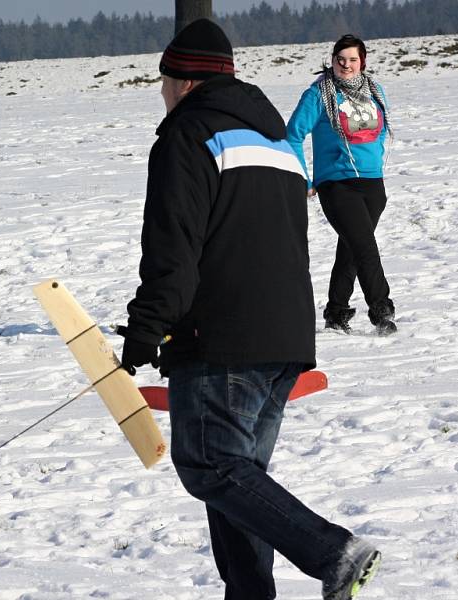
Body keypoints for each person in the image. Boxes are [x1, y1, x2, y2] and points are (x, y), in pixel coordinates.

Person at [119, 19, 380, 600]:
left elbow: (173, 248)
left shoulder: (187, 137)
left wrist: (148, 328)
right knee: (241, 486)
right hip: (284, 337)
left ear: (184, 82)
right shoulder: (276, 143)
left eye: (164, 82)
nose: (162, 94)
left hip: (222, 341)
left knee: (210, 466)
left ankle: (333, 553)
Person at [287, 34, 396, 335]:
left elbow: (381, 130)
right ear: (332, 60)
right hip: (337, 183)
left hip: (372, 183)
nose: (345, 65)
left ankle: (336, 312)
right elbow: (293, 135)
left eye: (352, 60)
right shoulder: (319, 95)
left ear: (362, 62)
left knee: (352, 248)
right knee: (365, 246)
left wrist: (373, 161)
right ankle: (381, 309)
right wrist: (303, 178)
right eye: (340, 59)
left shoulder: (375, 90)